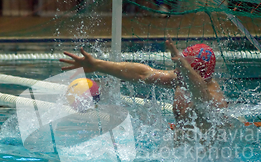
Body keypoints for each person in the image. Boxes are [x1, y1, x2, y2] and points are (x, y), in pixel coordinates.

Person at [60, 38, 228, 144]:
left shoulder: (214, 99)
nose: (177, 71)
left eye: (183, 68)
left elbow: (201, 96)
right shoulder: (180, 79)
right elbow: (144, 73)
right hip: (177, 155)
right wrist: (98, 65)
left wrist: (185, 68)